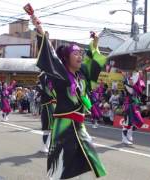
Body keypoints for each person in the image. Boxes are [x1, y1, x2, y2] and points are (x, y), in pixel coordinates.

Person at [32, 15, 107, 179]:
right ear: (66, 57)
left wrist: (95, 45)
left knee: (90, 162)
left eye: (81, 53)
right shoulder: (60, 73)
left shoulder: (81, 76)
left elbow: (94, 65)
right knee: (61, 169)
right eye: (75, 53)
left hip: (80, 126)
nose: (80, 56)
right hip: (64, 126)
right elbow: (50, 55)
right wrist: (40, 31)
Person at [122, 71, 145, 145]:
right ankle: (124, 138)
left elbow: (140, 91)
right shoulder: (127, 83)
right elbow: (131, 92)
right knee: (127, 122)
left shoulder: (138, 83)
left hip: (134, 105)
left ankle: (129, 134)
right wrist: (130, 82)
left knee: (138, 121)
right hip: (128, 105)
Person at [38, 72, 56, 153]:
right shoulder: (41, 87)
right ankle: (44, 146)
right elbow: (46, 93)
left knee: (51, 129)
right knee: (47, 129)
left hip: (51, 107)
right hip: (46, 108)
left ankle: (47, 145)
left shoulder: (50, 88)